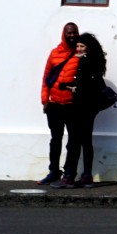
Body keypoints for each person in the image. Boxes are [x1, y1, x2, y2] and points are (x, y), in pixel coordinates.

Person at [59, 32, 109, 188]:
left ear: (88, 48)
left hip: (82, 107)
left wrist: (71, 88)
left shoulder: (84, 62)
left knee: (75, 141)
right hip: (88, 108)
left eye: (82, 46)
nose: (79, 48)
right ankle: (86, 175)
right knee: (86, 141)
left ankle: (69, 176)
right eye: (78, 46)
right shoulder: (95, 62)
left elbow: (85, 86)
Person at [38, 22, 79, 186]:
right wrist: (44, 100)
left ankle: (69, 173)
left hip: (72, 105)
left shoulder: (80, 54)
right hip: (54, 104)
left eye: (74, 32)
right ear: (64, 34)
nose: (72, 35)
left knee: (74, 141)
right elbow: (46, 78)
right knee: (55, 140)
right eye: (69, 32)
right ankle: (54, 171)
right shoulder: (54, 54)